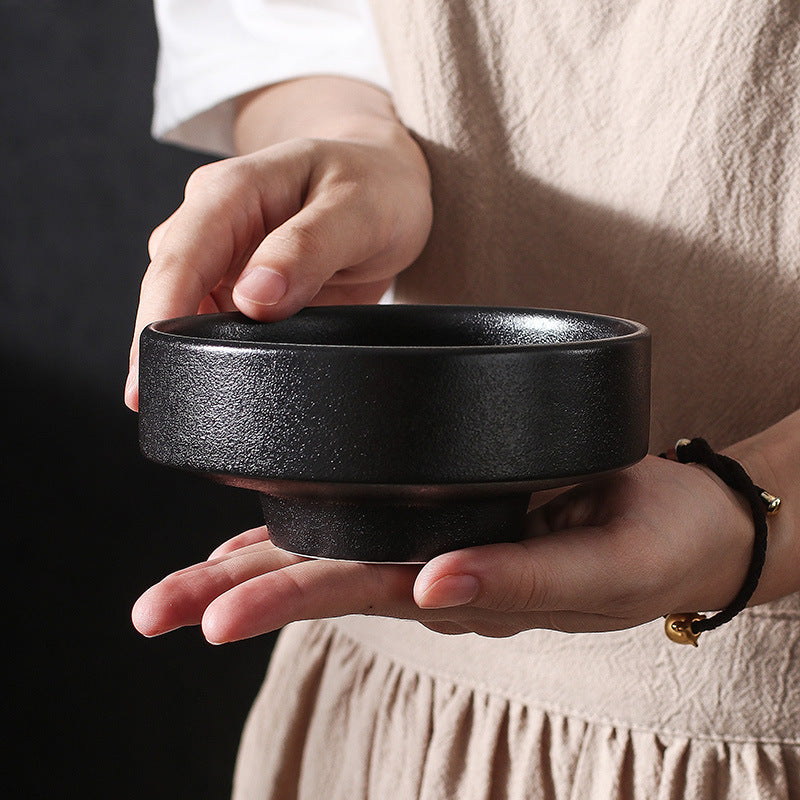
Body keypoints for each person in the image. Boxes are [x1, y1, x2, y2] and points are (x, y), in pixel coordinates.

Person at [129, 2, 800, 797]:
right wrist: (360, 148)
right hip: (386, 713)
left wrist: (748, 515)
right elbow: (290, 33)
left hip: (762, 723)